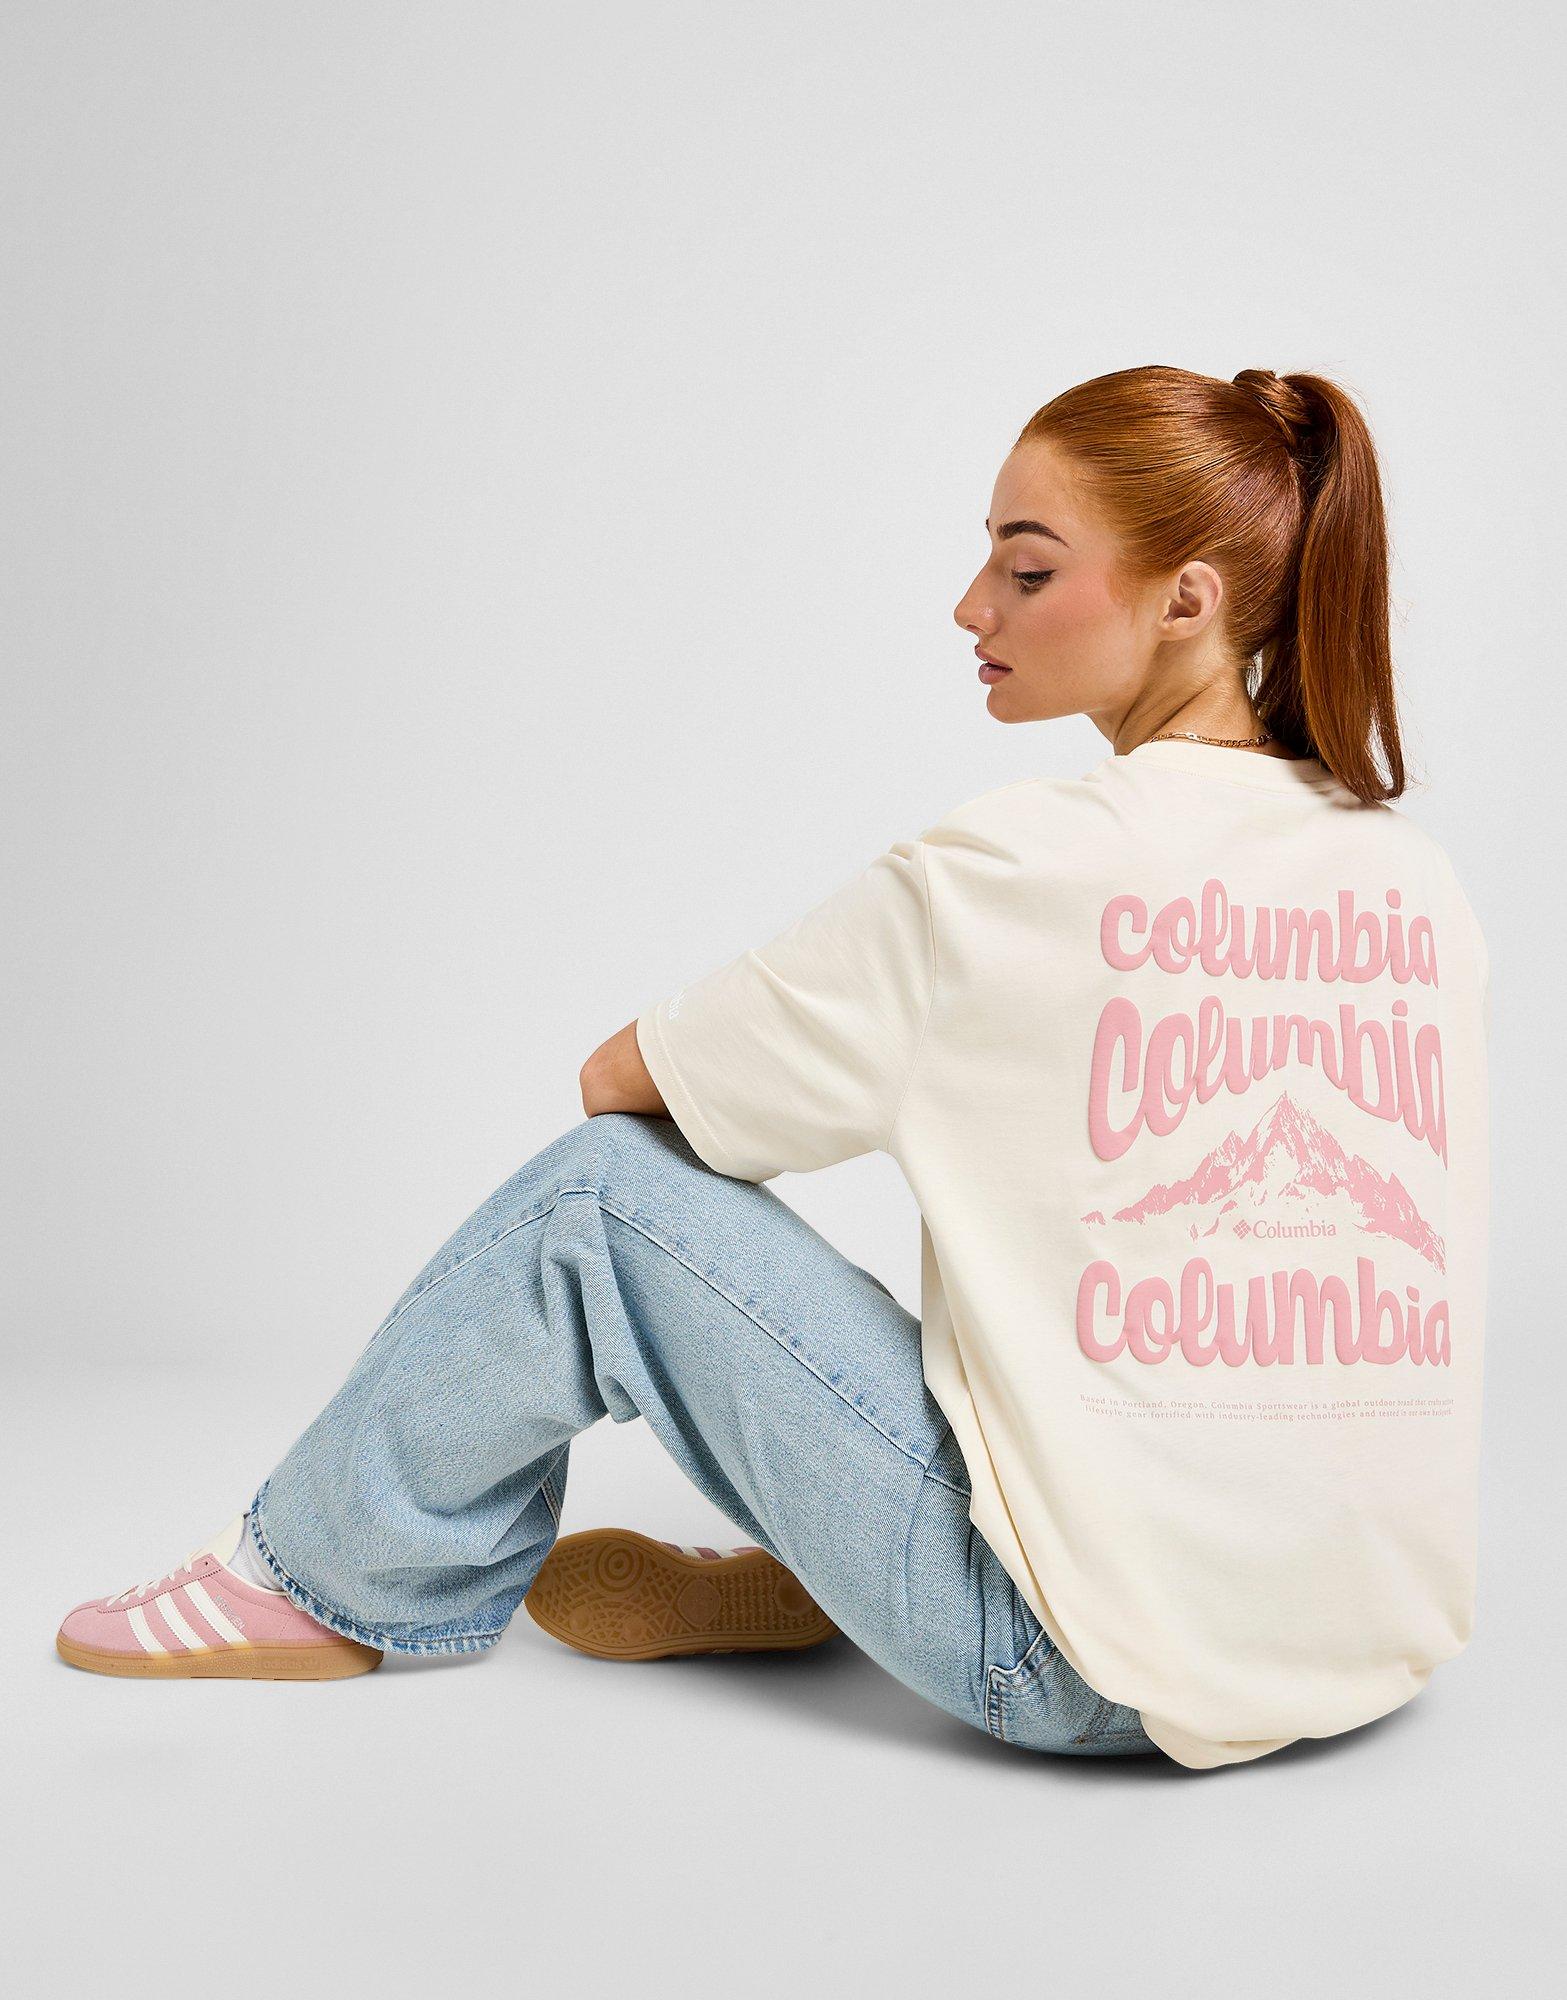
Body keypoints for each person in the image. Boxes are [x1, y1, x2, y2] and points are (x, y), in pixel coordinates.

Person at [54, 363, 1490, 1771]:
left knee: (597, 1202)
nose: (972, 605)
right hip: (1366, 1651)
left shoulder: (1014, 870)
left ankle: (315, 1578)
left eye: (1028, 569)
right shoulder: (1412, 883)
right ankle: (846, 1554)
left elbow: (623, 1087)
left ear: (1188, 603)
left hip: (1072, 1666)